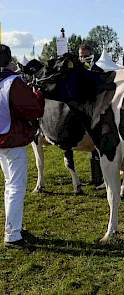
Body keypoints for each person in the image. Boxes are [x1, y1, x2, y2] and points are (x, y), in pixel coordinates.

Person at [0, 44, 44, 249]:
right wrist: (38, 92)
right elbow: (33, 109)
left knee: (10, 185)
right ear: (8, 60)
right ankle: (13, 235)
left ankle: (12, 226)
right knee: (16, 187)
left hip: (2, 140)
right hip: (13, 141)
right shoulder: (13, 82)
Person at [78, 44, 104, 187]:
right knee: (93, 149)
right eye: (81, 56)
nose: (82, 58)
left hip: (98, 112)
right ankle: (96, 179)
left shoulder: (98, 71)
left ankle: (102, 179)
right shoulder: (79, 71)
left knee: (99, 148)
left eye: (85, 55)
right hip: (86, 114)